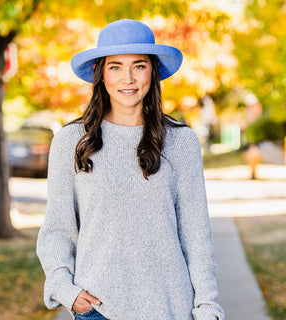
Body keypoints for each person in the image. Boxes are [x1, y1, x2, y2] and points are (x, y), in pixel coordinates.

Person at [36, 19, 225, 320]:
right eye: (115, 67)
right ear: (100, 73)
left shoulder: (181, 142)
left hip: (171, 309)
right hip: (98, 309)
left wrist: (206, 306)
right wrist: (64, 289)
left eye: (138, 66)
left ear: (153, 71)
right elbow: (58, 228)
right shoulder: (71, 141)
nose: (128, 78)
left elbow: (196, 235)